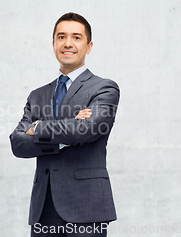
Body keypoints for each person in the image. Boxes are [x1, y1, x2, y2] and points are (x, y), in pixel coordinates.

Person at [9, 12, 120, 236]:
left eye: (76, 37)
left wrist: (38, 127)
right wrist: (63, 138)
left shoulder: (104, 88)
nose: (68, 43)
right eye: (61, 37)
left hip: (86, 206)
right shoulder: (37, 95)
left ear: (88, 46)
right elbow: (18, 144)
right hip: (44, 208)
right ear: (53, 44)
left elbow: (87, 129)